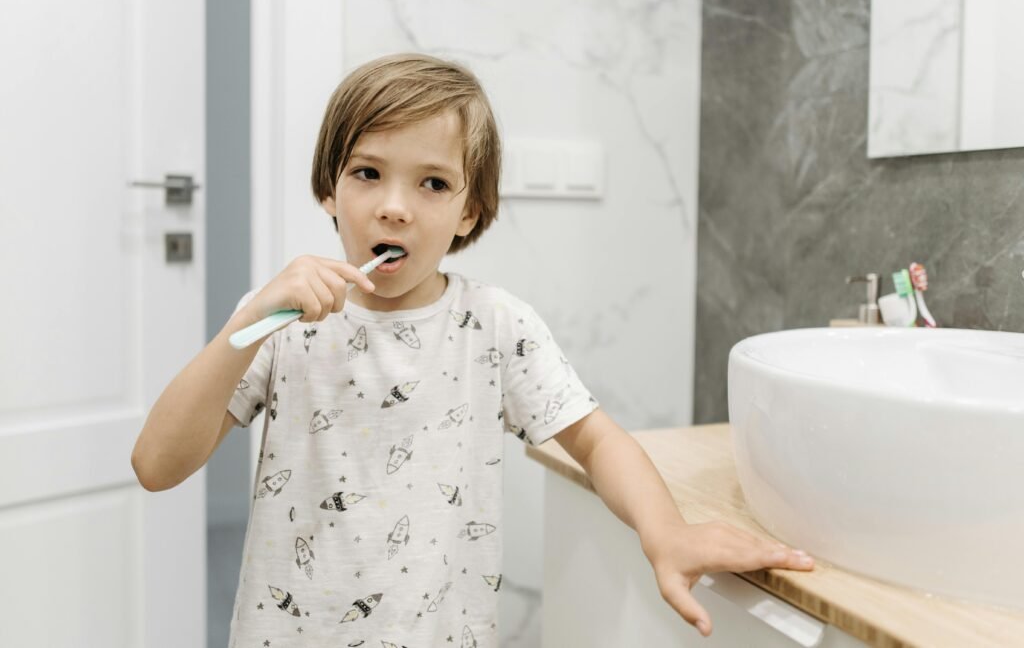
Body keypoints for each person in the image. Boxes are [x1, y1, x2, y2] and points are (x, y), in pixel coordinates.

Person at [131, 53, 813, 646]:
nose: (395, 207)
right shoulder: (280, 323)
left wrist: (667, 532)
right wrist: (248, 321)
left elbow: (597, 441)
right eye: (367, 172)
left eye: (432, 183)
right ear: (328, 191)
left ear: (469, 212)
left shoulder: (496, 327)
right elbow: (156, 465)